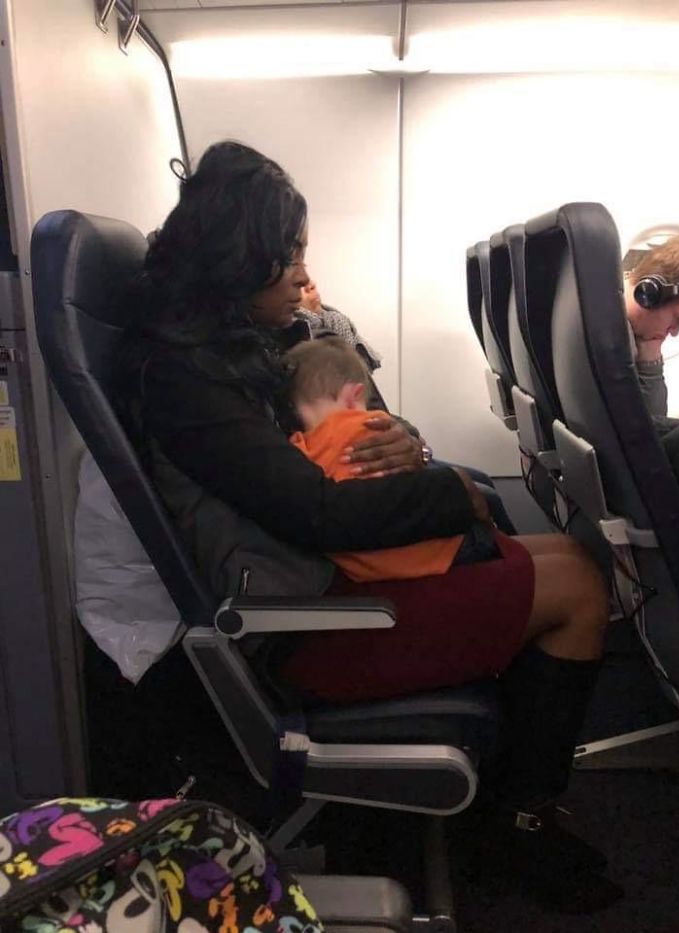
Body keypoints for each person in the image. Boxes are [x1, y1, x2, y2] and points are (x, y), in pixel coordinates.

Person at [121, 140, 621, 911]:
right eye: (284, 256)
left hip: (331, 587)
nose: (299, 275)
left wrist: (409, 442)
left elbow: (340, 440)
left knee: (560, 551)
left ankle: (502, 804)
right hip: (307, 627)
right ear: (235, 259)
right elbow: (317, 513)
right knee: (581, 584)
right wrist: (457, 490)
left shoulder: (237, 350)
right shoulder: (186, 378)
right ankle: (513, 826)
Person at [293, 276, 518, 534]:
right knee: (482, 493)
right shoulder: (310, 349)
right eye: (294, 265)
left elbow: (375, 406)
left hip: (391, 450)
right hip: (366, 480)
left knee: (481, 480)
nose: (307, 281)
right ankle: (507, 556)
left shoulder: (334, 328)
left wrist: (411, 439)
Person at [285, 337, 499, 580]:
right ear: (354, 395)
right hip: (437, 553)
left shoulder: (298, 448)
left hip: (362, 569)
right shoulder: (374, 424)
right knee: (486, 514)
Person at [624, 236, 679, 419]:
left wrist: (651, 357)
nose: (674, 332)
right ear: (650, 294)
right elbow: (652, 428)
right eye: (678, 319)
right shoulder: (615, 336)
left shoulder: (636, 335)